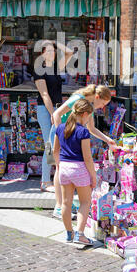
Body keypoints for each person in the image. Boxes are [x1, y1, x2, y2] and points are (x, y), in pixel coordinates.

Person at [52, 83, 117, 218]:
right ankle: (59, 207)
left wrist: (107, 140)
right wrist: (61, 134)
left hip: (68, 136)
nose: (103, 107)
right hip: (63, 135)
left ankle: (64, 206)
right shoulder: (78, 99)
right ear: (97, 96)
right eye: (103, 103)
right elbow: (56, 114)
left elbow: (91, 129)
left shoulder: (88, 106)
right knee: (59, 168)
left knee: (63, 169)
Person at [53, 98, 96, 244]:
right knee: (85, 202)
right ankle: (80, 234)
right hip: (79, 168)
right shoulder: (83, 131)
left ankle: (69, 233)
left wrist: (59, 166)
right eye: (89, 116)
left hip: (64, 167)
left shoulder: (60, 128)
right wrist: (93, 176)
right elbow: (87, 157)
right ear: (84, 114)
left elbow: (55, 151)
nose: (88, 119)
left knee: (65, 203)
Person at [34, 40, 73, 191]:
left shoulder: (56, 68)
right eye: (48, 51)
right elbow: (44, 94)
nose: (51, 53)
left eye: (53, 51)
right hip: (46, 110)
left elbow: (69, 52)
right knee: (49, 145)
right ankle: (45, 182)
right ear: (42, 54)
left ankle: (52, 178)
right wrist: (52, 113)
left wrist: (56, 43)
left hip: (57, 110)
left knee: (56, 145)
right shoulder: (39, 70)